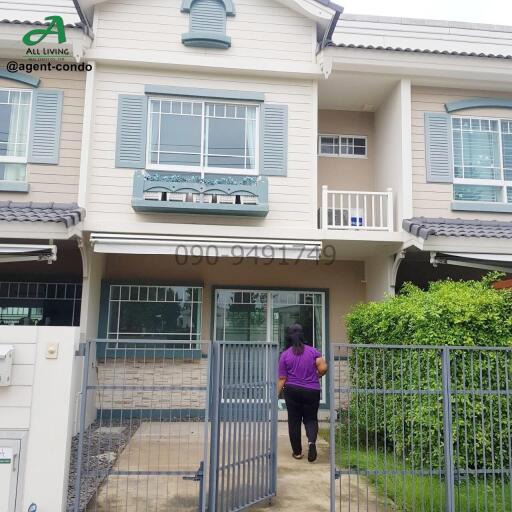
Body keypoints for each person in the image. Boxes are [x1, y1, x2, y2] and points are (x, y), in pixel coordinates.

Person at [277, 323, 328, 462]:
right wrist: (316, 376)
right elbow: (323, 367)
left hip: (292, 391)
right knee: (310, 419)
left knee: (294, 421)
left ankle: (297, 452)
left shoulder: (285, 355)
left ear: (289, 337)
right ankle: (311, 443)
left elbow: (282, 379)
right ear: (302, 335)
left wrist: (275, 395)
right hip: (312, 391)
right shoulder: (312, 351)